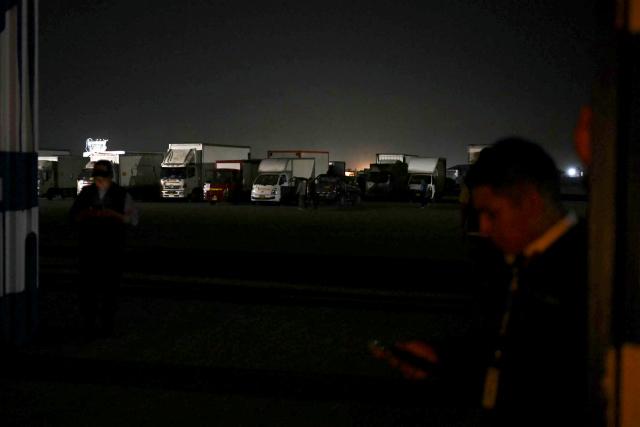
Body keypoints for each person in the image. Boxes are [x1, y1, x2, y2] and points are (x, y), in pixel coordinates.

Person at [373, 137, 594, 426]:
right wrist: (442, 358)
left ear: (530, 202)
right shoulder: (518, 261)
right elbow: (507, 350)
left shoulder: (585, 271)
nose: (485, 229)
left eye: (492, 213)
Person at [70, 160, 138, 339]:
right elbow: (73, 216)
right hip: (90, 249)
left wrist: (112, 214)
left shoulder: (121, 194)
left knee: (110, 290)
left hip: (112, 249)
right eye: (97, 177)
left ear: (110, 177)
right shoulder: (86, 193)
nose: (99, 180)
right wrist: (88, 214)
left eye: (103, 177)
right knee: (88, 290)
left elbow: (132, 219)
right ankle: (90, 324)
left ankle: (106, 325)